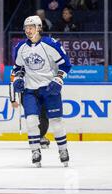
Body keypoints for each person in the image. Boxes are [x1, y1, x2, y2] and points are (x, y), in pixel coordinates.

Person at [12, 15, 72, 167]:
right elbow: (18, 68)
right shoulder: (21, 47)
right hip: (30, 90)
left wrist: (58, 79)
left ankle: (63, 150)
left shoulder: (50, 44)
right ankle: (35, 151)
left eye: (31, 27)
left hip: (49, 89)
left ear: (39, 28)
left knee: (56, 122)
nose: (28, 30)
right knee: (31, 121)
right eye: (26, 28)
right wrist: (18, 79)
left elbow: (65, 65)